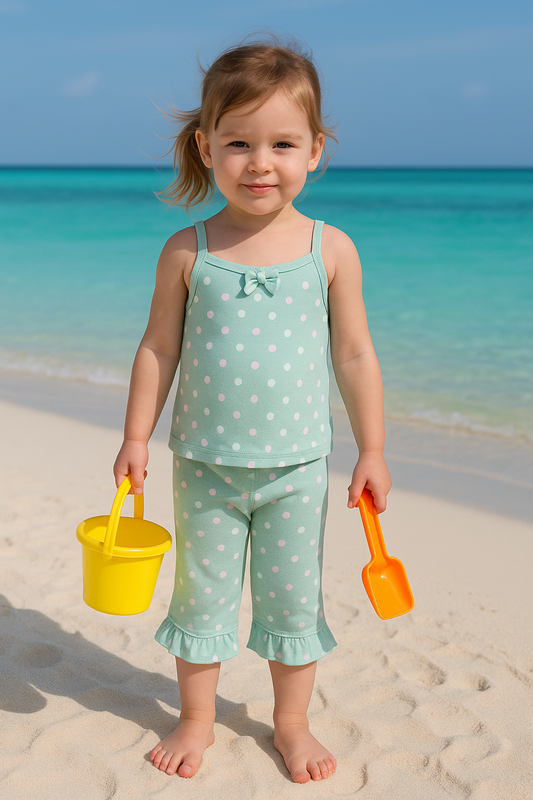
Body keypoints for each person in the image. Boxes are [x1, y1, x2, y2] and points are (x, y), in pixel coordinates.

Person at [114, 36, 391, 784]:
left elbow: (355, 356)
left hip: (297, 468)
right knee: (199, 598)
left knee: (291, 604)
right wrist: (136, 434)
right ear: (206, 148)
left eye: (281, 143)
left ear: (315, 150)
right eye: (238, 142)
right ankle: (197, 717)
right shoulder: (188, 249)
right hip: (203, 463)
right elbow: (156, 351)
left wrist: (371, 449)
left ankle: (291, 723)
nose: (259, 161)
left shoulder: (329, 249)